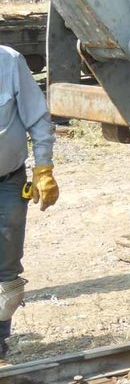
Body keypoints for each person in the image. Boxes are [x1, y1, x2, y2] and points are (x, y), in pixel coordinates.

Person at [0, 45, 58, 357]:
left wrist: (43, 168)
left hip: (7, 182)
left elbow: (38, 119)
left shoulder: (9, 62)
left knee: (6, 280)